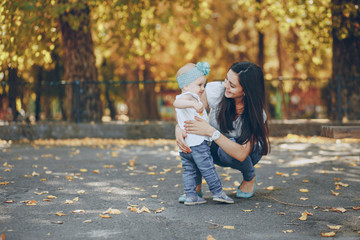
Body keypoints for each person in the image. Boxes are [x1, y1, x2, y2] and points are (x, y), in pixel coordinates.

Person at [176, 61, 270, 200]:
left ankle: (249, 176)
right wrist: (178, 129)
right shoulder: (216, 90)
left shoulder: (256, 114)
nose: (225, 85)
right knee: (194, 143)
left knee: (224, 147)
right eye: (226, 79)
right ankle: (195, 186)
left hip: (246, 154)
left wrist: (211, 131)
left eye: (232, 85)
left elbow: (242, 154)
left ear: (245, 91)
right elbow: (190, 113)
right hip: (216, 147)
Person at [174, 61, 234, 206]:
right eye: (199, 85)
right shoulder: (188, 97)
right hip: (197, 144)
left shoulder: (189, 97)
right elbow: (177, 103)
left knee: (189, 171)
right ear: (186, 86)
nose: (202, 89)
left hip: (186, 146)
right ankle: (218, 192)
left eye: (204, 85)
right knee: (207, 169)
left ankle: (191, 196)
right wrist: (194, 104)